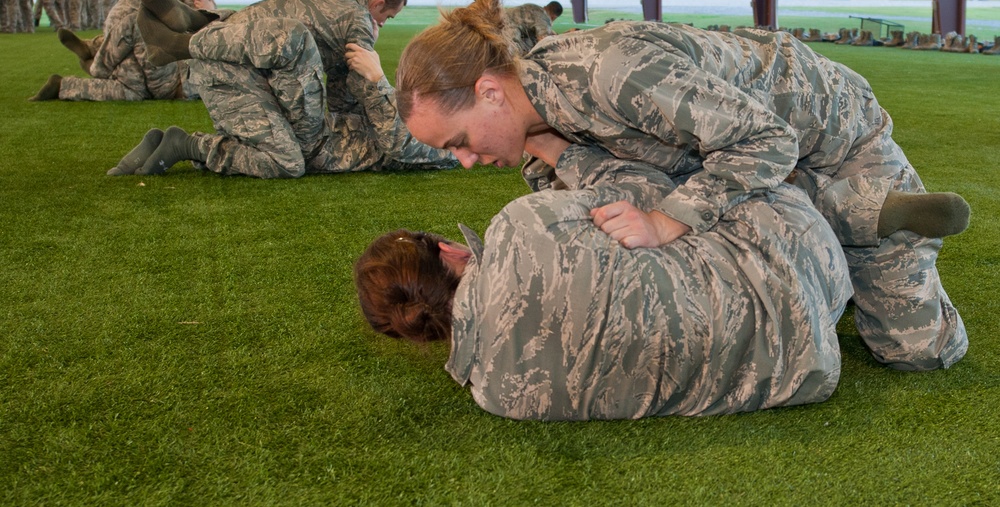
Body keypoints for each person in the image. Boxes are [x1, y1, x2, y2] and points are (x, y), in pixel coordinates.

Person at [393, 0, 971, 373]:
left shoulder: (610, 70)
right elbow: (623, 208)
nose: (465, 161)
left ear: (489, 93)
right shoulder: (540, 148)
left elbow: (766, 141)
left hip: (830, 141)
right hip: (731, 170)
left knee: (916, 352)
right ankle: (837, 225)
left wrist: (668, 221)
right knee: (707, 224)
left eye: (459, 143)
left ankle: (873, 220)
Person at [355, 142, 854, 420]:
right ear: (448, 249)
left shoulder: (497, 396)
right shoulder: (518, 227)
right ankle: (861, 215)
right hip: (792, 269)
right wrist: (556, 151)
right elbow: (645, 185)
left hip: (800, 368)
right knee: (711, 178)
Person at [105, 0, 455, 179]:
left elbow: (402, 147)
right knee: (297, 37)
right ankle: (200, 29)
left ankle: (199, 33)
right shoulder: (353, 13)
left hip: (318, 142)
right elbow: (347, 102)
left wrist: (377, 82)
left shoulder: (451, 146)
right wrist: (370, 85)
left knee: (288, 159)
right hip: (312, 125)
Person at [30, 0, 237, 102]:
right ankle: (96, 63)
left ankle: (84, 59)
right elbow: (205, 22)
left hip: (142, 35)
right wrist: (210, 1)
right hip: (136, 26)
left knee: (134, 88)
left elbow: (204, 20)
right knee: (137, 63)